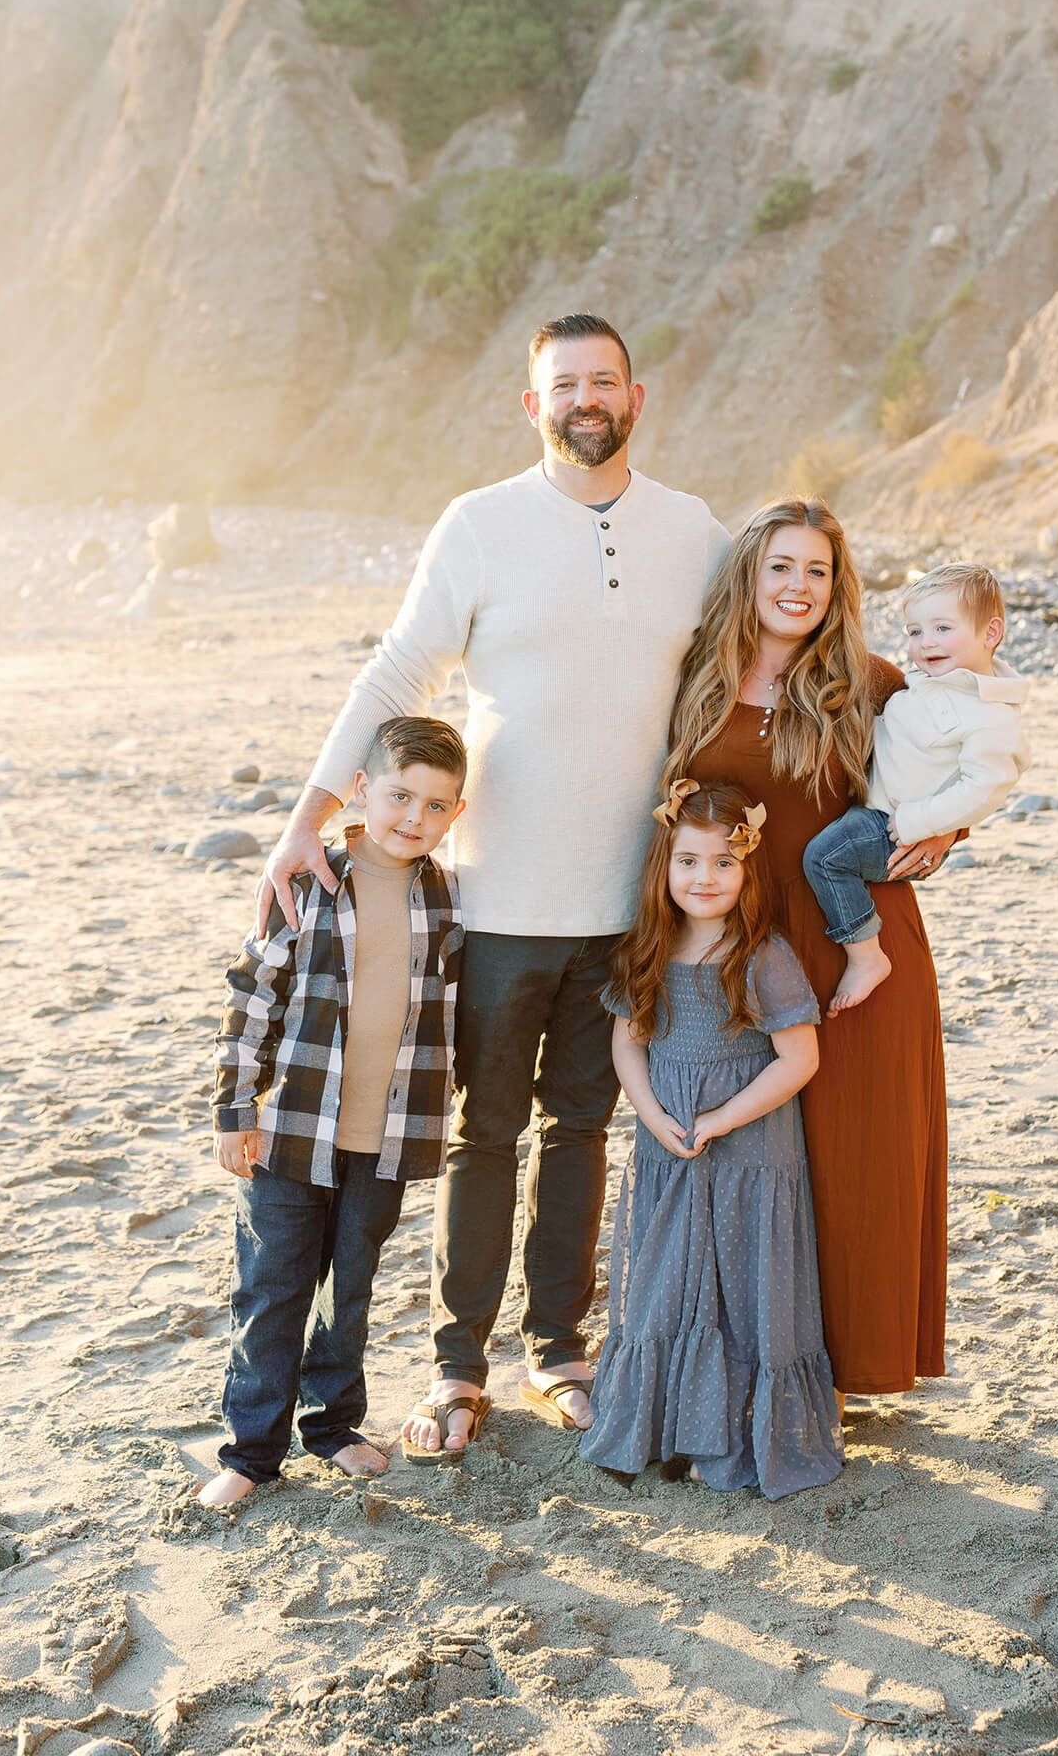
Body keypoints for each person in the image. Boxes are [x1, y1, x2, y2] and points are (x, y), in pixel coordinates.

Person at [254, 313, 729, 1459]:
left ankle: (559, 1349)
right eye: (563, 384)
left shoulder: (696, 531)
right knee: (486, 1133)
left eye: (604, 381)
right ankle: (458, 1368)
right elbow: (399, 666)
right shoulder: (481, 524)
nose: (585, 399)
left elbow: (766, 661)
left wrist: (926, 796)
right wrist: (308, 812)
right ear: (533, 405)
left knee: (583, 1127)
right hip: (498, 898)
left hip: (628, 901)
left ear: (637, 397)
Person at [666, 498, 958, 1412]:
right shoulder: (697, 678)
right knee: (759, 1158)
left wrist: (946, 831)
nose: (798, 587)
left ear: (839, 587)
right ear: (748, 575)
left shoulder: (871, 682)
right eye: (781, 567)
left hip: (854, 939)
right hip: (743, 946)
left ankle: (849, 1369)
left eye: (818, 571)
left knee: (859, 1151)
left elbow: (954, 766)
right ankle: (770, 1361)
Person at [199, 716, 468, 1505]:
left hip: (384, 1137)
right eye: (399, 795)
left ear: (456, 814)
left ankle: (333, 1425)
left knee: (348, 1288)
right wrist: (234, 1108)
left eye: (436, 805)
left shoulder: (447, 895)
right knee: (274, 1288)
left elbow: (449, 1008)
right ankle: (249, 1454)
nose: (413, 817)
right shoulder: (310, 878)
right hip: (290, 1131)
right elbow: (252, 997)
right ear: (360, 791)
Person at [579, 782, 844, 1499]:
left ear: (747, 872)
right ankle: (664, 1429)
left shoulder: (763, 955)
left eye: (724, 864)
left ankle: (730, 1436)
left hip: (749, 1156)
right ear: (664, 867)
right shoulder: (649, 951)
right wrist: (651, 1113)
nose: (705, 878)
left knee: (740, 1291)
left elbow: (800, 1059)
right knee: (664, 1287)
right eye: (689, 862)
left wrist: (723, 1119)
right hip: (669, 1148)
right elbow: (628, 1043)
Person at [802, 561, 1029, 1013]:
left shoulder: (992, 716)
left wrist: (919, 823)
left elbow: (984, 789)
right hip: (884, 812)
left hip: (891, 825)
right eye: (914, 631)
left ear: (991, 632)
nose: (926, 643)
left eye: (943, 628)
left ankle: (866, 955)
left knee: (825, 859)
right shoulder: (928, 685)